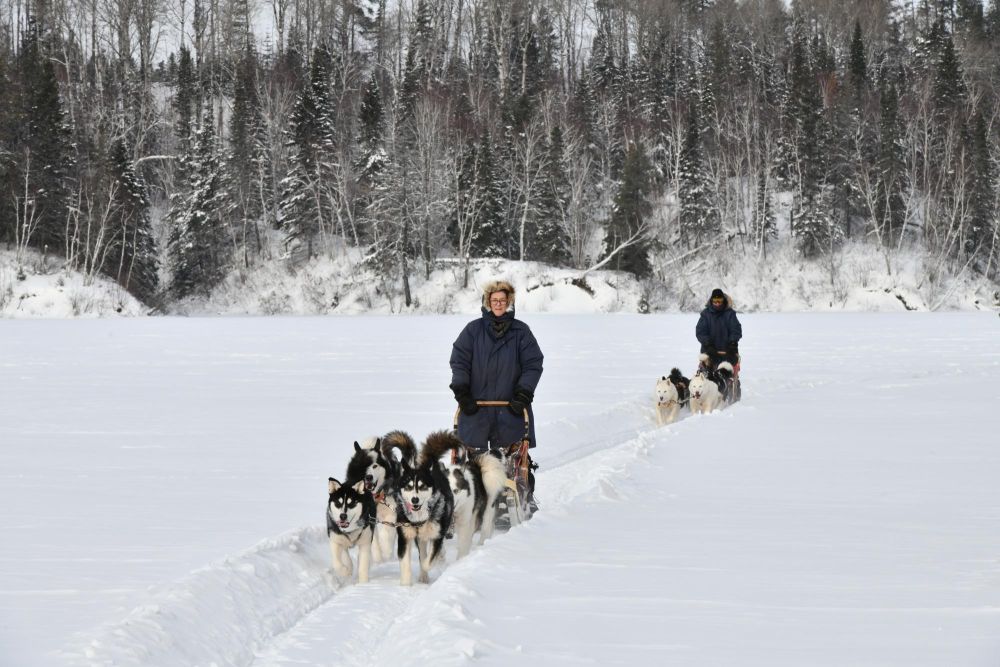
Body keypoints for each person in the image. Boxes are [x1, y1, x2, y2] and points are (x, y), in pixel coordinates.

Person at [449, 280, 544, 453]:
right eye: (495, 300)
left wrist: (523, 394)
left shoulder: (521, 332)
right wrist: (461, 391)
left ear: (509, 302)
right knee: (473, 467)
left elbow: (533, 364)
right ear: (488, 302)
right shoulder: (473, 330)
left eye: (502, 300)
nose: (498, 304)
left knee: (510, 467)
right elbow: (459, 361)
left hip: (511, 409)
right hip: (475, 409)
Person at [696, 288, 742, 370]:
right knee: (707, 378)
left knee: (728, 378)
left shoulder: (730, 314)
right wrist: (708, 344)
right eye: (715, 300)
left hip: (728, 352)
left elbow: (736, 330)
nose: (717, 303)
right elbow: (701, 332)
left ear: (723, 300)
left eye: (720, 300)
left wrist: (732, 343)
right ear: (711, 300)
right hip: (709, 351)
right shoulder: (705, 314)